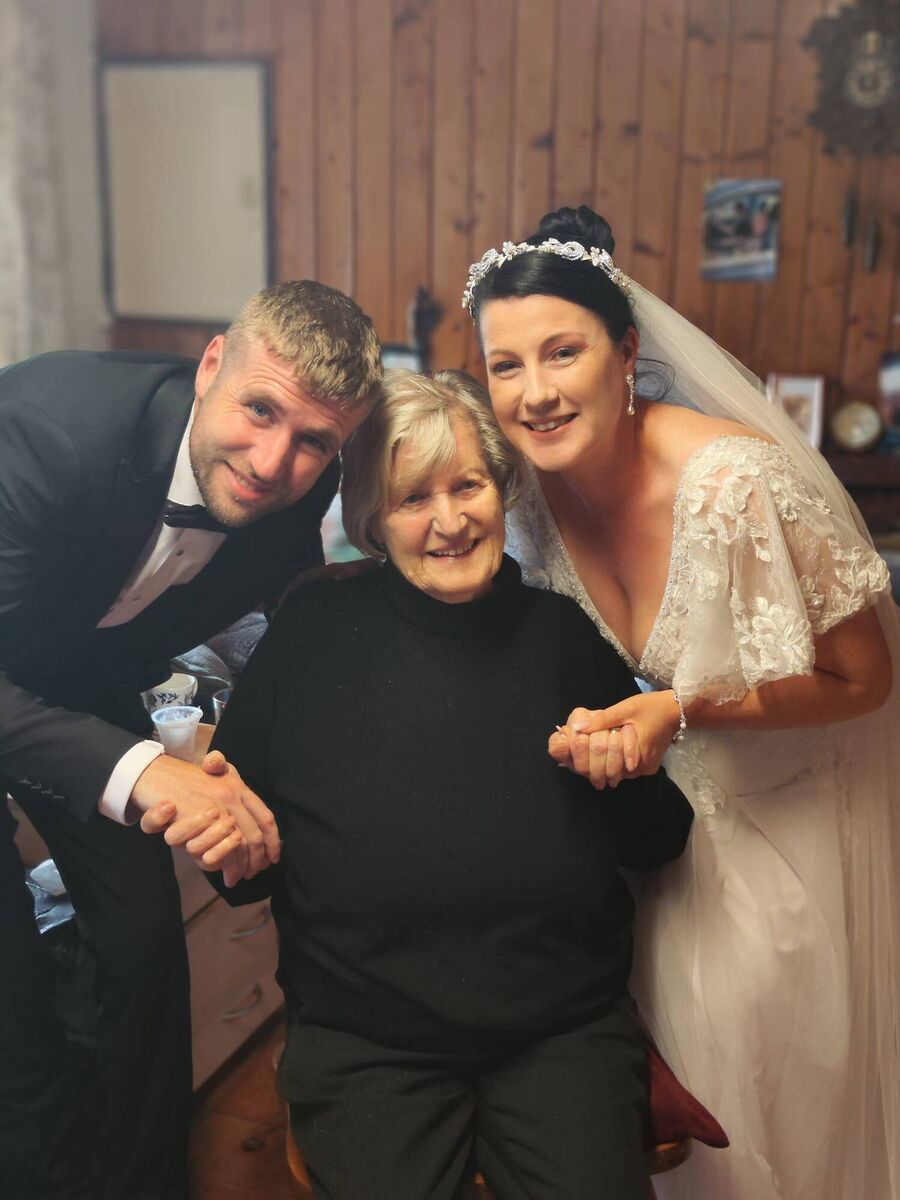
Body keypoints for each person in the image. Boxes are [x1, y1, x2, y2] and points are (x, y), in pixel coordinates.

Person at [462, 204, 900, 1200]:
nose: (534, 393)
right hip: (645, 834)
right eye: (505, 366)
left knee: (753, 1109)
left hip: (782, 827)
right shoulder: (527, 495)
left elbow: (867, 680)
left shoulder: (737, 482)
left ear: (625, 351)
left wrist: (684, 710)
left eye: (561, 352)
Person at [208, 369, 695, 1200]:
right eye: (411, 498)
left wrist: (626, 769)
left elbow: (661, 836)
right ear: (371, 519)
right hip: (368, 1041)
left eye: (467, 484)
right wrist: (229, 838)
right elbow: (238, 856)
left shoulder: (559, 634)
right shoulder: (310, 633)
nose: (449, 520)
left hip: (560, 1030)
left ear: (500, 490)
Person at [0, 279, 381, 1200]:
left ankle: (143, 1176)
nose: (274, 461)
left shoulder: (302, 480)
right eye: (260, 409)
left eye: (315, 442)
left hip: (70, 672)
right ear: (213, 364)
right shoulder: (48, 435)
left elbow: (288, 624)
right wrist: (148, 775)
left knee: (140, 932)